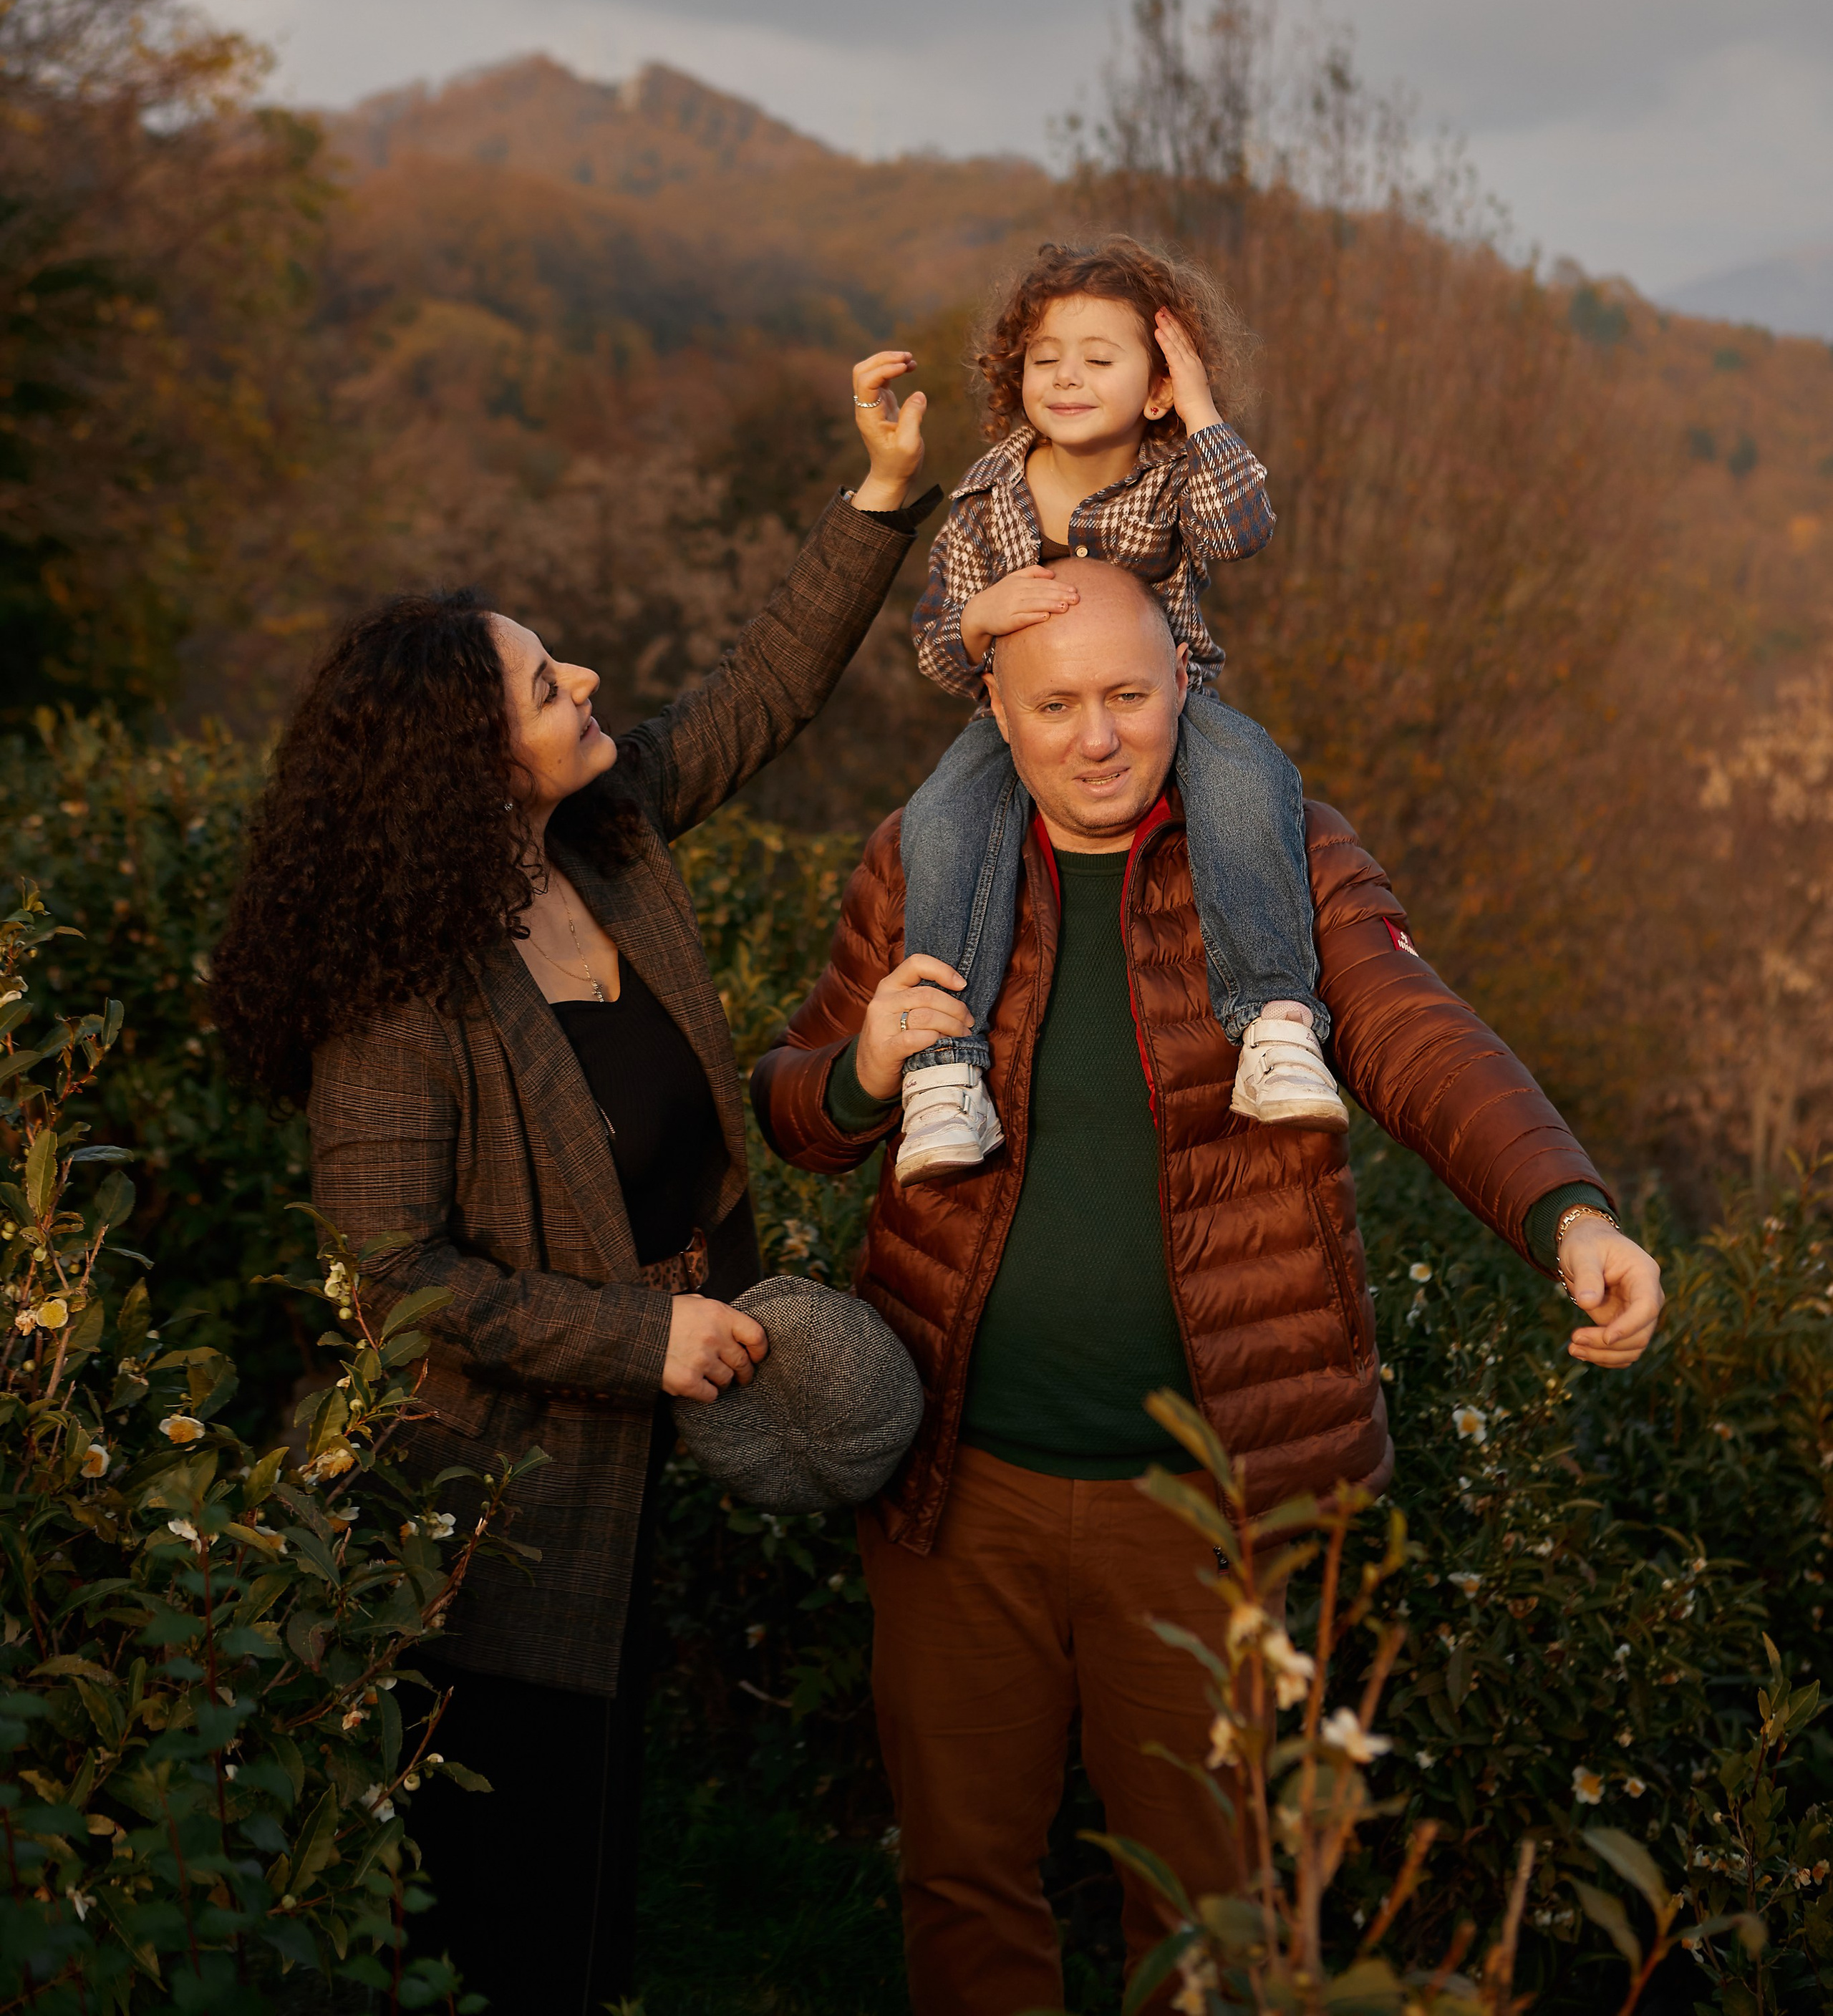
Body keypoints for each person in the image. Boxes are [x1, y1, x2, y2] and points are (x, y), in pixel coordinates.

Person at [753, 560, 1663, 2016]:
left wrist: (1564, 1213)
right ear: (994, 706)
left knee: (1212, 1915)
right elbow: (791, 1112)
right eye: (1054, 705)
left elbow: (1416, 1038)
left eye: (1127, 695)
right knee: (962, 1884)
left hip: (1206, 1506)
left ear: (1183, 680)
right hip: (954, 1493)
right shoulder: (921, 865)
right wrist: (857, 1074)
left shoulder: (1275, 860)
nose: (1096, 737)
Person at [209, 354, 934, 2016]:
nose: (586, 679)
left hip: (638, 1460)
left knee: (594, 1865)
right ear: (469, 762)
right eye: (547, 683)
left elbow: (755, 694)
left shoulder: (601, 840)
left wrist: (881, 497)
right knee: (509, 1904)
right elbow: (392, 1273)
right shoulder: (402, 992)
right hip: (483, 1525)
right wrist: (639, 1340)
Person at [892, 233, 1340, 1187]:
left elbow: (1243, 527)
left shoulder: (1176, 476)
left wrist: (1202, 406)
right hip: (1017, 725)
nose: (1066, 377)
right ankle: (943, 1075)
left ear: (1154, 387)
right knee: (939, 818)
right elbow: (934, 650)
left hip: (1172, 707)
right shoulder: (983, 502)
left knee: (1250, 778)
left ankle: (1274, 1019)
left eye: (1100, 359)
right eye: (1045, 358)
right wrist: (977, 620)